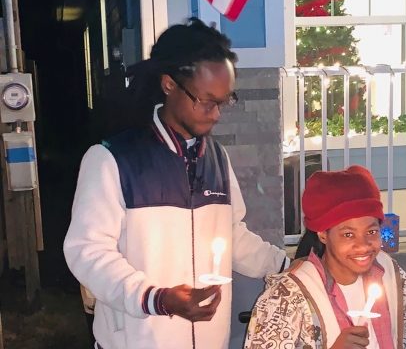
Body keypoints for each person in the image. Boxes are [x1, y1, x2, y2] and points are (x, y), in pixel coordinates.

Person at [63, 18, 288, 349]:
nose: (216, 114)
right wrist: (158, 298)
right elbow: (87, 250)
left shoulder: (217, 158)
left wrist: (287, 265)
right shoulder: (112, 159)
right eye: (206, 100)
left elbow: (232, 236)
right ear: (169, 84)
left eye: (224, 101)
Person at [244, 165, 406, 349]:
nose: (363, 245)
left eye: (371, 231)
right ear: (323, 234)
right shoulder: (285, 296)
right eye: (348, 234)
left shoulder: (388, 276)